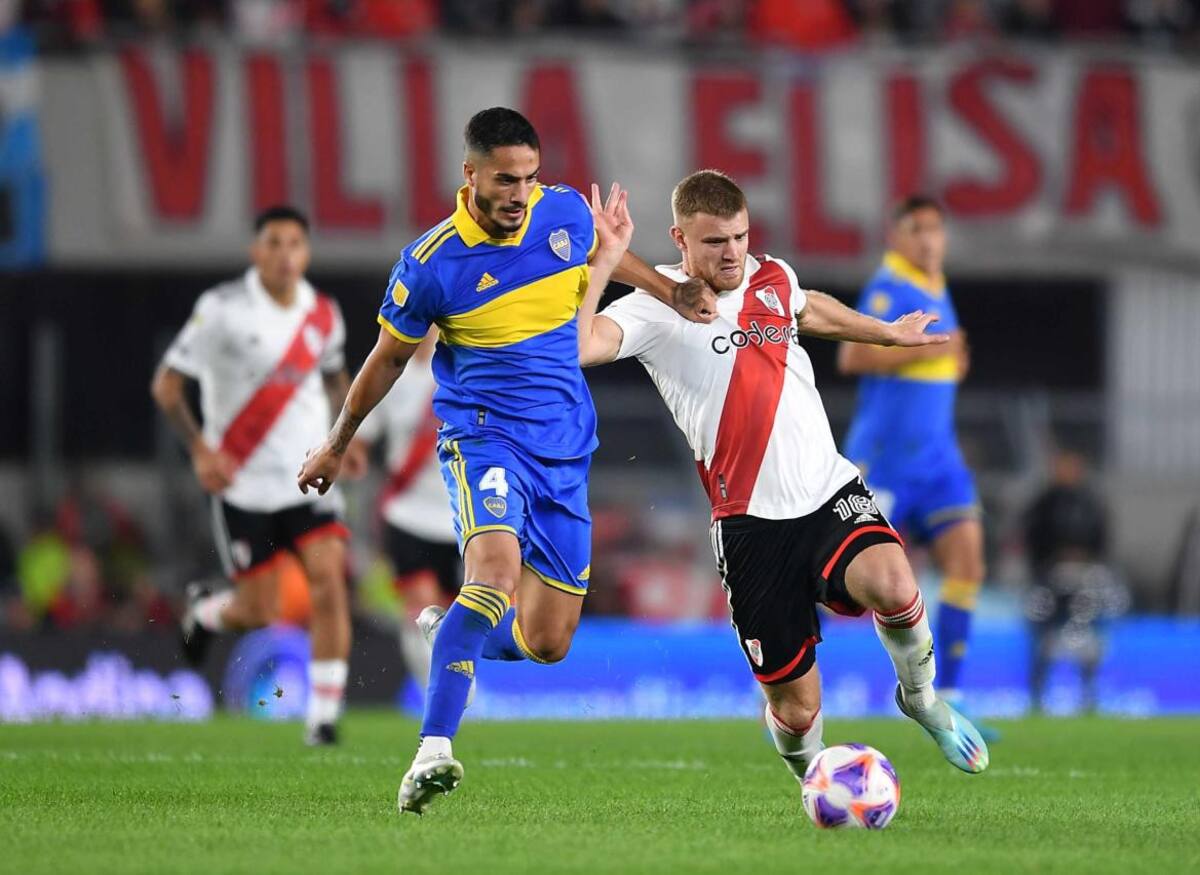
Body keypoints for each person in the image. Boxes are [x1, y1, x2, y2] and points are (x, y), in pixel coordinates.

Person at [296, 107, 714, 814]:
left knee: (548, 641)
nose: (519, 193)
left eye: (528, 177)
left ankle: (451, 628)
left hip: (564, 449)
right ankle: (432, 751)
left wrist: (669, 288)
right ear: (470, 175)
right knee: (492, 571)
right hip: (485, 439)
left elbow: (592, 248)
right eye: (504, 179)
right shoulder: (431, 264)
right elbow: (386, 360)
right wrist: (337, 442)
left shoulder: (560, 213)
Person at [579, 169, 990, 784]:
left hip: (828, 492)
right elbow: (580, 344)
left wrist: (887, 333)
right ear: (680, 239)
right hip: (750, 528)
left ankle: (921, 698)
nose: (733, 253)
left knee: (895, 583)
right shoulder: (652, 306)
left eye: (741, 237)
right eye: (715, 242)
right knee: (797, 711)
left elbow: (808, 307)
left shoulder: (772, 274)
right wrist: (607, 262)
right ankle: (812, 782)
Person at [151, 205, 364, 746]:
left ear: (306, 252)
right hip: (242, 485)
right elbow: (168, 387)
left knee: (329, 583)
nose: (284, 254)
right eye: (273, 243)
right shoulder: (221, 310)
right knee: (260, 609)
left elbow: (338, 379)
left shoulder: (323, 314)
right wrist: (200, 450)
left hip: (306, 478)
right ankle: (205, 611)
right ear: (255, 251)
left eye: (295, 243)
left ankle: (322, 719)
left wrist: (346, 439)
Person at [838, 195, 996, 739]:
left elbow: (939, 361)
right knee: (840, 579)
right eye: (916, 229)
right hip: (885, 459)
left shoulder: (936, 284)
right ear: (896, 236)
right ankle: (789, 688)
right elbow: (853, 358)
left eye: (935, 229)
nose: (928, 239)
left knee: (968, 564)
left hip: (938, 459)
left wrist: (954, 362)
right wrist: (933, 351)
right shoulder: (890, 285)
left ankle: (948, 695)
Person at [352, 329, 461, 686]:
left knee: (453, 615)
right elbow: (361, 433)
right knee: (422, 609)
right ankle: (436, 692)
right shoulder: (388, 374)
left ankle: (450, 681)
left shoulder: (463, 372)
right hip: (407, 515)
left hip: (459, 517)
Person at [1023, 450, 1122, 713]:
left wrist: (1089, 559)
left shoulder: (1091, 502)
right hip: (1049, 576)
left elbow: (1103, 535)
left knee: (1088, 635)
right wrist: (1047, 563)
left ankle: (1088, 693)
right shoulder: (1044, 503)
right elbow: (1031, 535)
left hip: (1086, 576)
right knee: (1044, 636)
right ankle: (1038, 695)